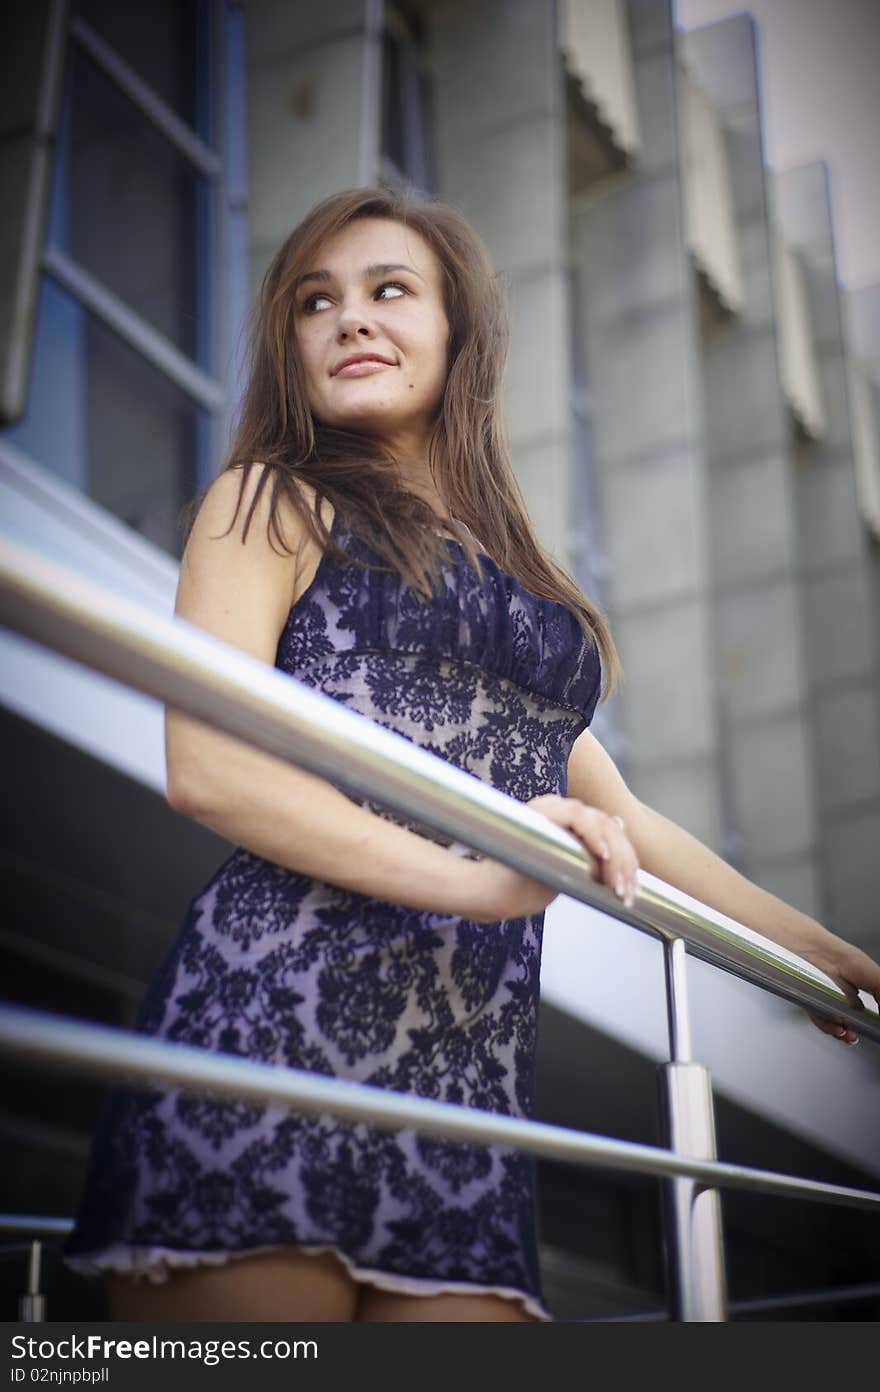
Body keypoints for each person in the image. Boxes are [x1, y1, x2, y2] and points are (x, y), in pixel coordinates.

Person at [62, 186, 880, 1324]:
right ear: (289, 348)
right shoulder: (267, 501)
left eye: (389, 290)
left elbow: (622, 820)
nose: (349, 318)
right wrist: (485, 878)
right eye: (316, 301)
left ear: (458, 335)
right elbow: (212, 767)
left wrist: (817, 954)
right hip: (268, 1032)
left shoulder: (508, 592)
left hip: (467, 1084)